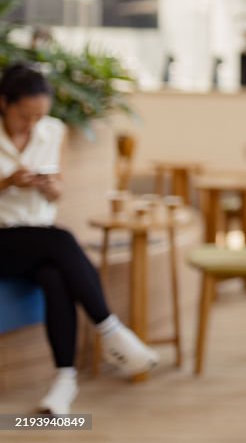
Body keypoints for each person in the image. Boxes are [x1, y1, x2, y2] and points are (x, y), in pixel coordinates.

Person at [0, 63, 159, 415]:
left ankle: (64, 381)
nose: (33, 124)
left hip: (37, 237)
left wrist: (52, 187)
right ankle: (112, 331)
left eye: (39, 116)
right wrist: (7, 183)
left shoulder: (52, 131)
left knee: (55, 276)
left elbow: (58, 190)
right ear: (4, 103)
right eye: (25, 116)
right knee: (61, 241)